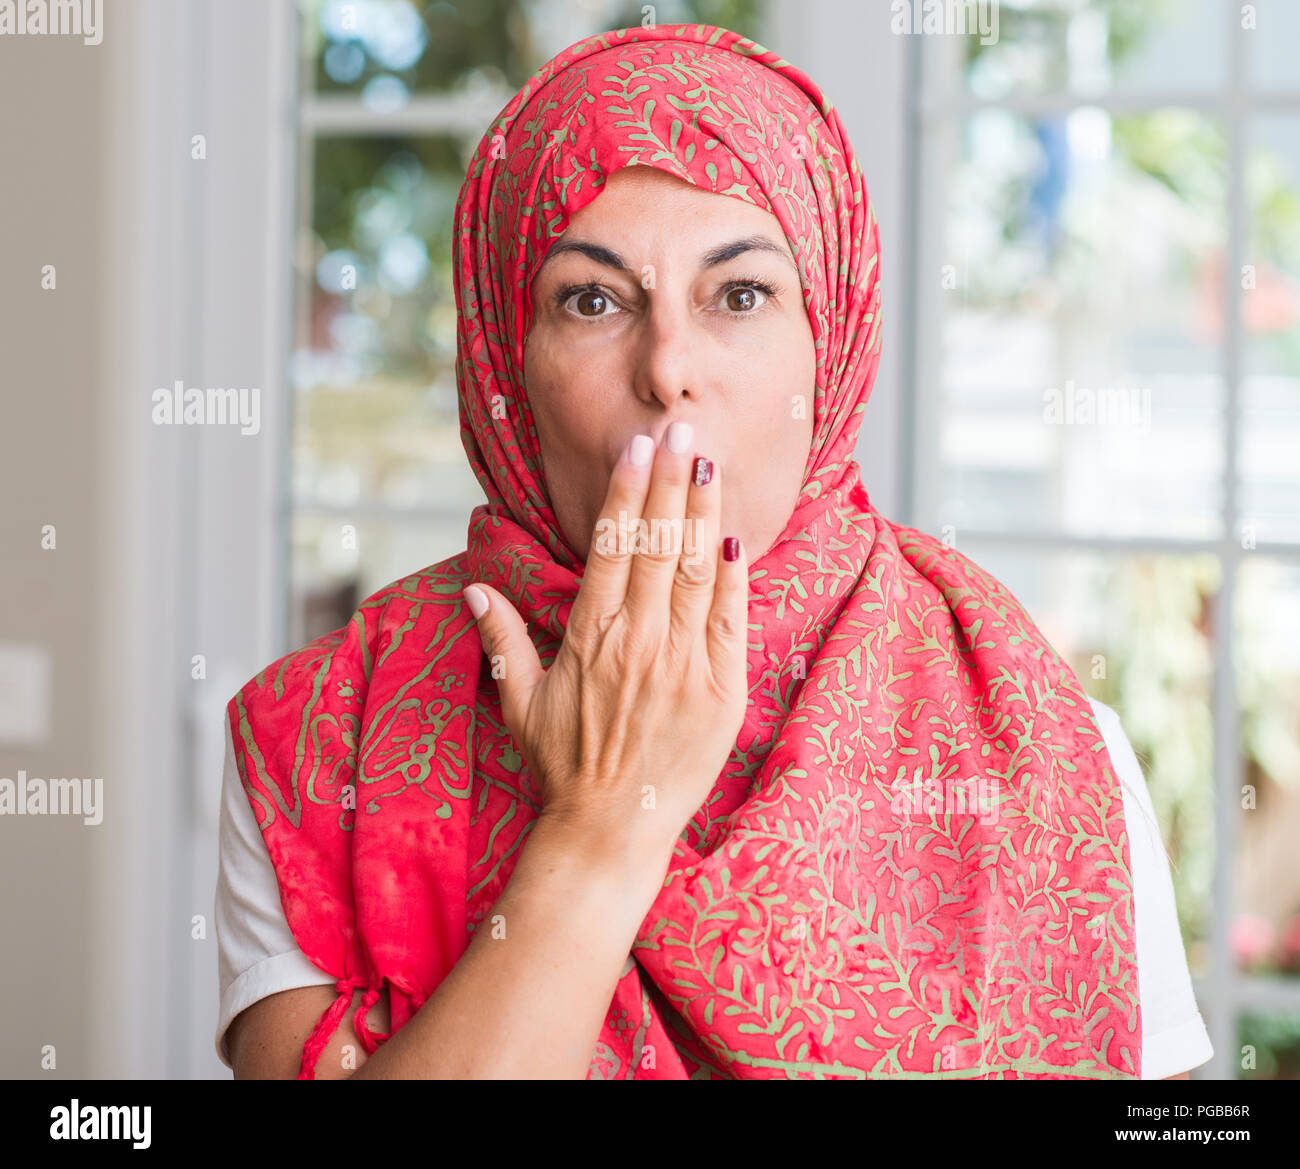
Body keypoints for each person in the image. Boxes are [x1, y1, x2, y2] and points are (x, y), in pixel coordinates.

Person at [215, 22, 1212, 1080]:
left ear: (829, 343)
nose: (669, 368)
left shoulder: (1047, 744)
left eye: (740, 294)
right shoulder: (321, 739)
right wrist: (598, 826)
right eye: (591, 300)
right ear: (506, 366)